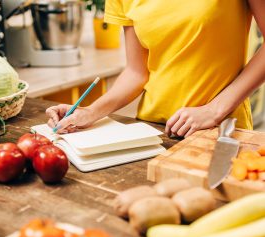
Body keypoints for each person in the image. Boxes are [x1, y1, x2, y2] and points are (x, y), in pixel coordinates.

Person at [46, 0, 265, 137]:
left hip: (220, 129)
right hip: (154, 132)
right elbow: (136, 72)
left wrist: (213, 111)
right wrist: (90, 112)